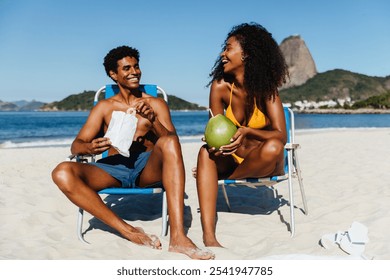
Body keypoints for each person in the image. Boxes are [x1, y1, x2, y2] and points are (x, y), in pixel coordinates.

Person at [52, 45, 214, 260]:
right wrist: (89, 147)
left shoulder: (155, 103)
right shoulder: (104, 107)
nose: (134, 72)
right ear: (113, 74)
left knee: (170, 142)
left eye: (136, 67)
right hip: (112, 169)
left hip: (147, 168)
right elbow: (77, 145)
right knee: (61, 172)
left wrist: (153, 120)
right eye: (126, 68)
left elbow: (171, 141)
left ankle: (178, 237)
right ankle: (128, 230)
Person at [194, 23, 289, 247]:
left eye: (228, 49)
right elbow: (214, 129)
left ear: (246, 54)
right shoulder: (219, 87)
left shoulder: (266, 89)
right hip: (234, 157)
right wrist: (213, 145)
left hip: (263, 160)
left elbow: (281, 135)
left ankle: (218, 179)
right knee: (205, 152)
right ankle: (209, 236)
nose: (222, 54)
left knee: (274, 147)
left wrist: (247, 131)